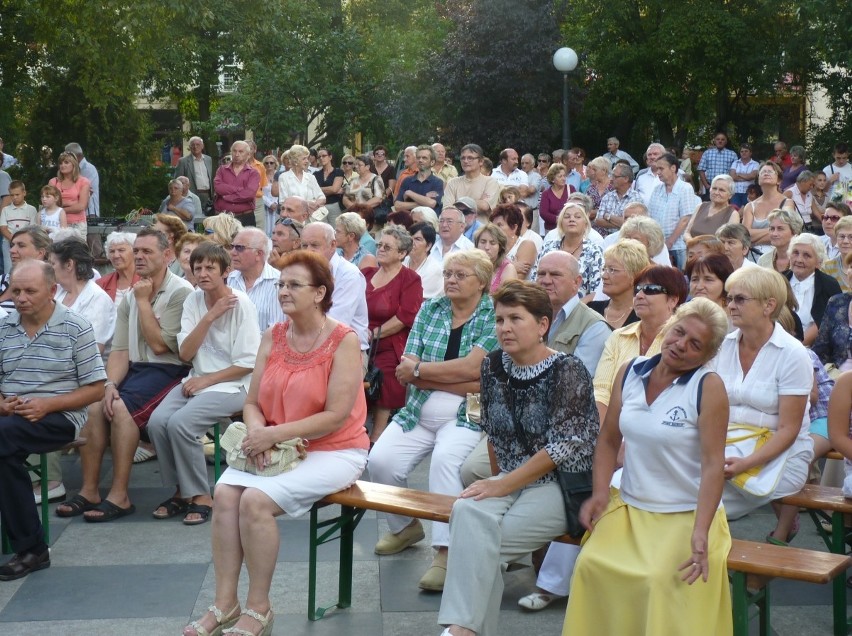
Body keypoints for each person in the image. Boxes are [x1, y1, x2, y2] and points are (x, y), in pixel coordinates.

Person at [182, 250, 369, 636]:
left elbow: (335, 416)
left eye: (293, 285)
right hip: (275, 442)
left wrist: (273, 434)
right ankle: (224, 603)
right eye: (281, 284)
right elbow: (251, 403)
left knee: (254, 500)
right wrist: (257, 434)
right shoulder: (274, 334)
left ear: (319, 293)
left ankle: (260, 608)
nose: (283, 291)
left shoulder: (343, 340)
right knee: (224, 493)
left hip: (334, 448)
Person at [437, 281, 599, 636]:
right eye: (499, 320)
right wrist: (499, 486)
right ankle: (464, 631)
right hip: (512, 478)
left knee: (480, 542)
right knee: (466, 510)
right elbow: (493, 433)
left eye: (515, 319)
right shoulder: (493, 366)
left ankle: (459, 630)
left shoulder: (567, 370)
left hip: (560, 484)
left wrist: (503, 486)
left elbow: (563, 446)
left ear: (542, 325)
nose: (504, 328)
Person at [564, 298, 732, 636]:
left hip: (684, 513)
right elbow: (609, 439)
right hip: (630, 507)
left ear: (707, 354)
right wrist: (599, 494)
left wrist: (701, 530)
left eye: (695, 344)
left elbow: (714, 466)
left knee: (654, 580)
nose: (680, 345)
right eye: (679, 332)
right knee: (589, 566)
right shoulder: (630, 371)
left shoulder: (708, 387)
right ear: (670, 327)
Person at [368, 250, 498, 592]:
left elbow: (478, 372)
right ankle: (405, 526)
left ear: (481, 282)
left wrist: (422, 373)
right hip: (419, 410)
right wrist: (424, 375)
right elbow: (405, 364)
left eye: (460, 275)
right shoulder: (431, 308)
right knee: (379, 461)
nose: (451, 280)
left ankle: (444, 551)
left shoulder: (492, 314)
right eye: (449, 273)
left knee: (446, 462)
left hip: (467, 413)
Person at [56, 228, 193, 522]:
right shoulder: (132, 295)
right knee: (95, 406)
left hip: (170, 369)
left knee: (120, 409)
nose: (139, 256)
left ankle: (120, 495)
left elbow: (159, 346)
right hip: (135, 368)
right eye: (138, 251)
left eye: (147, 252)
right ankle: (90, 490)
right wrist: (108, 384)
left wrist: (143, 302)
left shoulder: (181, 292)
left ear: (167, 255)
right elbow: (119, 350)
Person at [0, 260, 106, 581]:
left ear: (52, 290)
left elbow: (97, 388)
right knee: (3, 453)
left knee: (2, 440)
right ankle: (32, 548)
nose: (20, 298)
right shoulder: (3, 327)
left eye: (30, 291)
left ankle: (32, 548)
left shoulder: (76, 326)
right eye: (15, 290)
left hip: (59, 416)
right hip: (8, 418)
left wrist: (48, 405)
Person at [148, 243, 260, 527]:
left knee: (181, 424)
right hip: (198, 379)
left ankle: (201, 495)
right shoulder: (194, 301)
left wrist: (206, 380)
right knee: (157, 422)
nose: (203, 273)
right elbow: (185, 354)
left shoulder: (241, 304)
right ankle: (180, 491)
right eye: (198, 268)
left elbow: (249, 363)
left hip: (235, 385)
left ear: (226, 271)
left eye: (210, 267)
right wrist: (209, 317)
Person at [713, 267, 813, 542]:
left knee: (700, 502)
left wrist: (745, 463)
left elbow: (789, 430)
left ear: (769, 305)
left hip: (782, 453)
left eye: (740, 299)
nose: (731, 305)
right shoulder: (723, 346)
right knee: (679, 489)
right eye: (729, 298)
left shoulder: (793, 354)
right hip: (729, 445)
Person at [594, 265, 688, 421]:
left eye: (650, 289)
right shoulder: (618, 336)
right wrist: (606, 437)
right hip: (613, 425)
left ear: (673, 300)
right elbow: (601, 391)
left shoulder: (683, 341)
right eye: (637, 289)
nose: (640, 295)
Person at [363, 227, 423, 443]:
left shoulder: (410, 279)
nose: (381, 249)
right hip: (359, 340)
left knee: (385, 371)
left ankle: (377, 436)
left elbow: (404, 318)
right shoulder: (366, 274)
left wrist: (371, 335)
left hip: (390, 342)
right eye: (379, 245)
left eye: (387, 247)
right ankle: (356, 430)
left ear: (402, 253)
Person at [530, 202, 603, 298]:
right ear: (560, 223)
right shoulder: (548, 246)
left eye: (577, 217)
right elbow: (534, 279)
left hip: (580, 307)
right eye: (567, 217)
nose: (572, 219)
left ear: (585, 224)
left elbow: (597, 291)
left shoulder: (594, 251)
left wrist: (573, 309)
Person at [784, 233, 841, 346]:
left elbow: (826, 322)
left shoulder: (829, 285)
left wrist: (798, 346)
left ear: (818, 263)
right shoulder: (778, 280)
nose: (799, 260)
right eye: (795, 253)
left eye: (806, 255)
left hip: (814, 348)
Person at [226, 228, 285, 334]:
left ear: (259, 254)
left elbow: (277, 331)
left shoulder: (280, 283)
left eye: (239, 248)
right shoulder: (229, 280)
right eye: (232, 247)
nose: (232, 252)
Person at [587, 239, 650, 329]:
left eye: (612, 270)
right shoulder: (591, 309)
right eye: (604, 269)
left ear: (635, 275)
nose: (604, 276)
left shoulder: (643, 316)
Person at [649, 152, 695, 269]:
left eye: (661, 169)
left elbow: (685, 219)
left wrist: (669, 242)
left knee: (679, 280)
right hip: (658, 245)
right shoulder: (657, 189)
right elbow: (650, 217)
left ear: (673, 168)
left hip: (678, 245)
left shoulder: (685, 188)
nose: (658, 172)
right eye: (657, 169)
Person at [742, 161, 797, 254]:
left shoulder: (787, 203)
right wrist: (774, 231)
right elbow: (744, 236)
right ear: (758, 180)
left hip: (778, 255)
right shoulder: (750, 206)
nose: (766, 173)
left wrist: (753, 239)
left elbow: (785, 234)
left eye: (770, 172)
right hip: (753, 258)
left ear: (779, 180)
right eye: (763, 172)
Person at [213, 141, 261, 227]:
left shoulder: (253, 173)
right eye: (234, 151)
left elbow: (249, 194)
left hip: (245, 217)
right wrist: (240, 190)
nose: (237, 154)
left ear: (248, 155)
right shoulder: (221, 170)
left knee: (246, 241)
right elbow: (218, 188)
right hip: (223, 218)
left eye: (241, 151)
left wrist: (228, 197)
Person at [684, 174, 739, 242]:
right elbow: (687, 232)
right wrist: (693, 243)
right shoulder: (700, 207)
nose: (716, 192)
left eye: (721, 190)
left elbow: (730, 241)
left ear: (730, 195)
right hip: (692, 249)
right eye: (714, 188)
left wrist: (702, 247)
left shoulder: (733, 214)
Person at [48, 151, 91, 236]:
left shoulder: (83, 182)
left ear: (74, 164)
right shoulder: (53, 182)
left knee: (77, 248)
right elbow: (49, 203)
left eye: (66, 162)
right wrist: (71, 204)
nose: (62, 165)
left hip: (77, 224)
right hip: (56, 223)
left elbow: (81, 206)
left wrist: (60, 209)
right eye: (60, 163)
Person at [1, 181, 39, 275]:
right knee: (9, 268)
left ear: (24, 193)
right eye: (12, 195)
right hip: (8, 242)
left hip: (26, 243)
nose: (14, 197)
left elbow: (32, 229)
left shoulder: (31, 209)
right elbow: (3, 228)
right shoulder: (6, 210)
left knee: (26, 267)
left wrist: (21, 242)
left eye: (17, 194)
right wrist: (14, 241)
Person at [490, 204, 537, 280]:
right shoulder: (491, 246)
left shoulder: (527, 245)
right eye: (492, 225)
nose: (493, 229)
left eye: (499, 225)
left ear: (514, 227)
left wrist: (496, 268)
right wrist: (511, 267)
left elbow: (514, 282)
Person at [276, 145, 325, 213]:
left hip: (311, 218)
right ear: (295, 161)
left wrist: (313, 206)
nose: (307, 161)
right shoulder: (284, 177)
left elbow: (322, 197)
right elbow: (283, 201)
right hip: (293, 218)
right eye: (304, 159)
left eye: (307, 158)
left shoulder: (311, 177)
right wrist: (305, 205)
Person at [96, 232, 140, 308]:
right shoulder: (101, 284)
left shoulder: (147, 280)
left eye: (121, 250)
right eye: (112, 251)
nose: (116, 256)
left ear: (134, 253)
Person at [404, 222, 444, 299]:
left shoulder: (434, 270)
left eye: (417, 239)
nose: (411, 242)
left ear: (428, 246)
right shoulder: (401, 261)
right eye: (409, 238)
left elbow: (417, 299)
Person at [756, 208, 803, 274]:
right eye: (772, 229)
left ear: (794, 231)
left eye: (780, 229)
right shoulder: (763, 260)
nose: (774, 234)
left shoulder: (803, 260)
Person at [174, 136, 214, 212]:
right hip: (191, 196)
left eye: (198, 144)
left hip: (207, 195)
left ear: (202, 146)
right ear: (189, 147)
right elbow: (177, 182)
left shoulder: (209, 159)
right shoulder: (183, 161)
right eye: (193, 145)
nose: (195, 147)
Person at [474, 223, 517, 293]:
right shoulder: (470, 265)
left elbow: (509, 299)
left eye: (492, 243)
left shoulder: (508, 268)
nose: (487, 247)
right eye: (483, 242)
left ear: (500, 247)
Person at [538, 163, 573, 235]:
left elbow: (577, 207)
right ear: (553, 179)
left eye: (564, 176)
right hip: (551, 230)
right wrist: (560, 219)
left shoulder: (571, 189)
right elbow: (543, 213)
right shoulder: (546, 194)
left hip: (569, 229)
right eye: (560, 176)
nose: (563, 178)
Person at [315, 147, 344, 225]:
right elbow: (314, 192)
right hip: (320, 207)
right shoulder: (315, 174)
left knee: (336, 230)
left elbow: (334, 189)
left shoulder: (338, 172)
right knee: (322, 231)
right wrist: (331, 190)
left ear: (330, 157)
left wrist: (319, 189)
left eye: (324, 156)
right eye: (319, 157)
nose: (321, 158)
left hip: (334, 205)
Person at [729, 143, 760, 207]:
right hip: (735, 193)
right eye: (742, 151)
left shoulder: (755, 164)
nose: (744, 153)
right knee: (735, 211)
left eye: (746, 151)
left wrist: (739, 174)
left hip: (749, 193)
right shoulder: (735, 163)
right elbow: (732, 177)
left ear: (750, 153)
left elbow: (753, 176)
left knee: (747, 210)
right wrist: (747, 177)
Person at [261, 154, 279, 233]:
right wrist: (269, 203)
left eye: (271, 163)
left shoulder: (280, 175)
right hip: (265, 206)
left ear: (275, 164)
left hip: (278, 206)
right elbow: (258, 192)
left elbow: (283, 191)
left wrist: (275, 203)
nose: (269, 164)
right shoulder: (260, 176)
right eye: (266, 163)